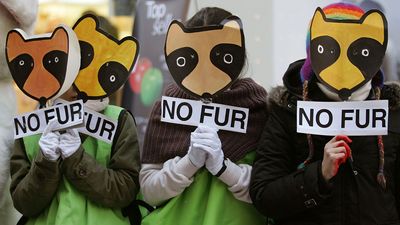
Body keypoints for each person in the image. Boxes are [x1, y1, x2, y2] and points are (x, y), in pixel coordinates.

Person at [250, 2, 400, 225]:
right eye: (330, 49)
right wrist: (318, 174)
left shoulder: (391, 110)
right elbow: (264, 195)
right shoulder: (289, 110)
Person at [139, 7, 268, 225]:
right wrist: (189, 163)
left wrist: (224, 168)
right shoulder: (167, 108)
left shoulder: (257, 107)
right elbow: (149, 191)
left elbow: (268, 191)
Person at [10, 81, 140, 225]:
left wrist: (78, 161)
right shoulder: (29, 127)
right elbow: (23, 204)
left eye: (82, 77)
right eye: (68, 78)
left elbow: (126, 191)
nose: (76, 89)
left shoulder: (119, 119)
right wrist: (46, 164)